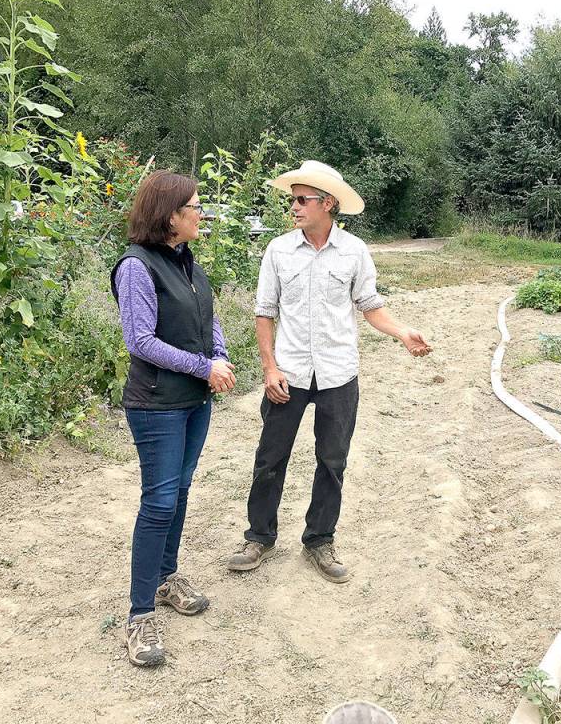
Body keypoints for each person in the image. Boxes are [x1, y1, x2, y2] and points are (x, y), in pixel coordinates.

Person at [227, 160, 432, 583]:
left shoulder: (354, 252)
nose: (295, 207)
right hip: (289, 374)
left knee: (332, 460)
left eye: (303, 199)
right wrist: (268, 368)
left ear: (329, 204)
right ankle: (259, 537)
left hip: (339, 373)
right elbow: (265, 313)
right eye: (293, 199)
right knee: (269, 459)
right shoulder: (278, 251)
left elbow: (370, 305)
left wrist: (401, 332)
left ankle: (320, 539)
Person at [110, 170, 237, 667]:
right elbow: (139, 340)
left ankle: (166, 579)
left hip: (193, 402)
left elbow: (209, 318)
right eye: (195, 206)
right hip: (157, 404)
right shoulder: (136, 267)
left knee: (179, 492)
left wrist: (219, 356)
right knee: (159, 501)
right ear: (170, 215)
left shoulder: (187, 262)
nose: (202, 213)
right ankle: (139, 615)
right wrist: (203, 366)